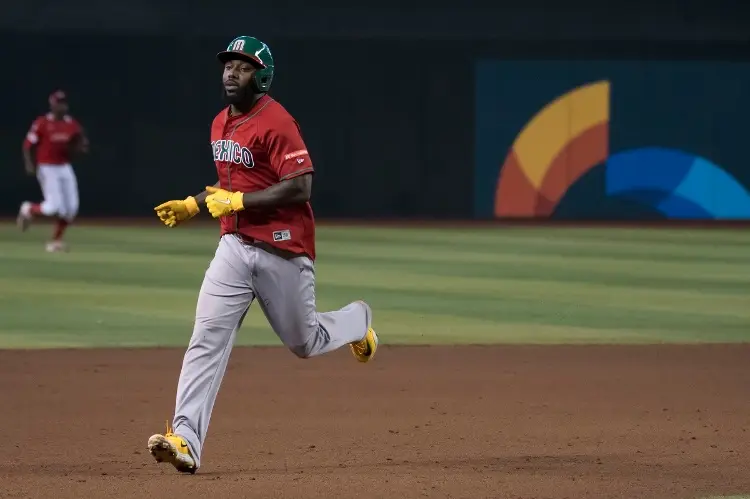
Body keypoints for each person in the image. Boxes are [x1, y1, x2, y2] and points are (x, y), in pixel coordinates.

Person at [147, 35, 379, 474]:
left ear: (263, 77)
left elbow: (301, 185)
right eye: (228, 64)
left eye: (244, 66)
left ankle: (356, 321)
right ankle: (186, 440)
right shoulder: (220, 123)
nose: (232, 72)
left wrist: (237, 203)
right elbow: (230, 186)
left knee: (304, 342)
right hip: (234, 248)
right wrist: (194, 204)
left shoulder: (278, 122)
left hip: (282, 248)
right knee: (206, 339)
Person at [17, 90, 89, 252]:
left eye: (64, 103)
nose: (62, 106)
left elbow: (81, 139)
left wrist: (81, 146)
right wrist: (30, 164)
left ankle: (55, 242)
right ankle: (28, 209)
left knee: (71, 208)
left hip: (64, 166)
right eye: (59, 103)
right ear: (52, 105)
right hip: (47, 166)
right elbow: (28, 145)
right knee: (54, 207)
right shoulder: (42, 123)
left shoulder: (71, 124)